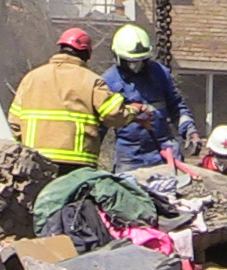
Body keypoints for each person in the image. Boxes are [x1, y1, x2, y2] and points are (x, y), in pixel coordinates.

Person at [9, 27, 149, 174]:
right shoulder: (91, 80)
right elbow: (114, 115)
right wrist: (134, 110)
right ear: (87, 54)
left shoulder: (31, 78)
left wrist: (23, 147)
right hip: (76, 164)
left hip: (35, 160)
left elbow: (14, 121)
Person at [102, 24, 202, 170]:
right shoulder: (108, 81)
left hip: (163, 147)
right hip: (130, 153)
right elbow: (101, 123)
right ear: (117, 57)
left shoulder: (159, 73)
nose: (135, 66)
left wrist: (190, 131)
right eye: (130, 62)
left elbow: (176, 106)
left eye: (140, 61)